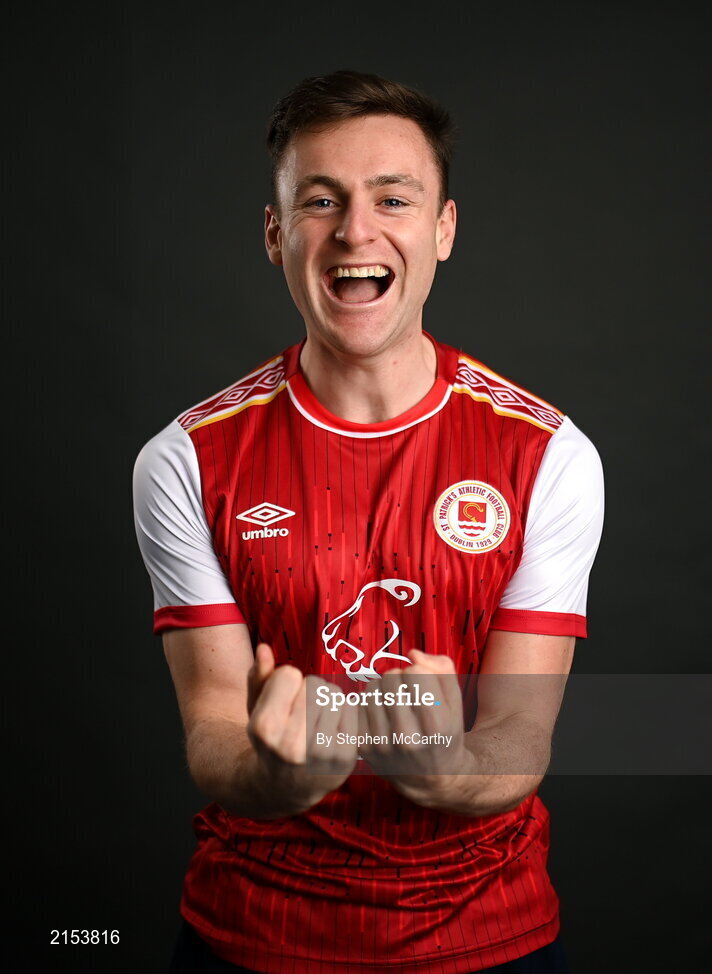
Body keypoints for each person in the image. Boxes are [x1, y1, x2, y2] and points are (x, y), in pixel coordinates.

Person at [133, 70, 604, 974]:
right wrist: (279, 775)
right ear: (276, 235)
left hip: (487, 936)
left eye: (394, 197)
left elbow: (520, 732)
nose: (356, 229)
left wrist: (448, 768)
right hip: (251, 938)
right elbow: (215, 731)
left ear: (443, 230)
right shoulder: (186, 460)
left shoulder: (549, 455)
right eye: (321, 199)